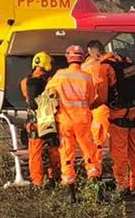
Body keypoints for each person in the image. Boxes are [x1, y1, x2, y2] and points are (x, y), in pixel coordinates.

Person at [46, 44, 103, 185]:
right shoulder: (88, 77)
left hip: (64, 121)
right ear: (82, 58)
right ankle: (95, 180)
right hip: (83, 121)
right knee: (89, 151)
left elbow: (48, 95)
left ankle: (69, 186)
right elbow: (90, 99)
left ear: (68, 58)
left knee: (66, 152)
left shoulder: (59, 75)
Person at [98, 48, 135, 195]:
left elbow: (103, 97)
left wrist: (89, 106)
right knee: (133, 151)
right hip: (133, 111)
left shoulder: (105, 67)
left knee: (119, 153)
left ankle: (122, 186)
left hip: (118, 114)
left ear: (96, 53)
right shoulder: (126, 61)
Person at [21, 51, 59, 188]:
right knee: (54, 150)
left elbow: (27, 99)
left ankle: (37, 182)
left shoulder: (25, 82)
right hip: (48, 121)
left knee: (35, 153)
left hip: (33, 122)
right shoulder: (50, 81)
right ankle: (54, 177)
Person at [81, 39, 117, 162]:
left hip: (100, 105)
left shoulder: (97, 65)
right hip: (112, 105)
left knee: (98, 137)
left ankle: (97, 167)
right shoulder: (114, 60)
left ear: (92, 52)